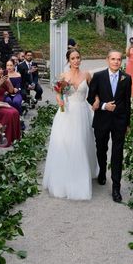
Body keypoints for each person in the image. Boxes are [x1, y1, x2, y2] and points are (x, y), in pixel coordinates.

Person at [43, 49, 98, 200]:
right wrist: (59, 98)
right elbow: (59, 92)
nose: (76, 60)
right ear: (68, 60)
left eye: (78, 57)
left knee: (82, 143)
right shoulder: (63, 75)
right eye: (73, 58)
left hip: (82, 111)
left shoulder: (86, 75)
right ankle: (65, 177)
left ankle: (82, 175)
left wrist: (97, 100)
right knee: (65, 144)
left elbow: (94, 91)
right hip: (66, 112)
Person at [87, 50, 132, 203]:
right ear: (107, 60)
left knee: (117, 154)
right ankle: (101, 171)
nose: (116, 62)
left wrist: (127, 123)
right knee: (101, 148)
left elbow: (127, 102)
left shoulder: (127, 78)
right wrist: (104, 105)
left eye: (118, 59)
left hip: (119, 121)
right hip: (102, 119)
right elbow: (90, 97)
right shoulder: (98, 76)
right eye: (113, 59)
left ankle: (116, 187)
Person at [0, 63, 21, 145]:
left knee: (15, 112)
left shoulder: (4, 79)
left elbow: (11, 91)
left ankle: (14, 138)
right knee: (10, 113)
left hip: (3, 103)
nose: (1, 71)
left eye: (2, 69)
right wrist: (0, 83)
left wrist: (8, 82)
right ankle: (3, 138)